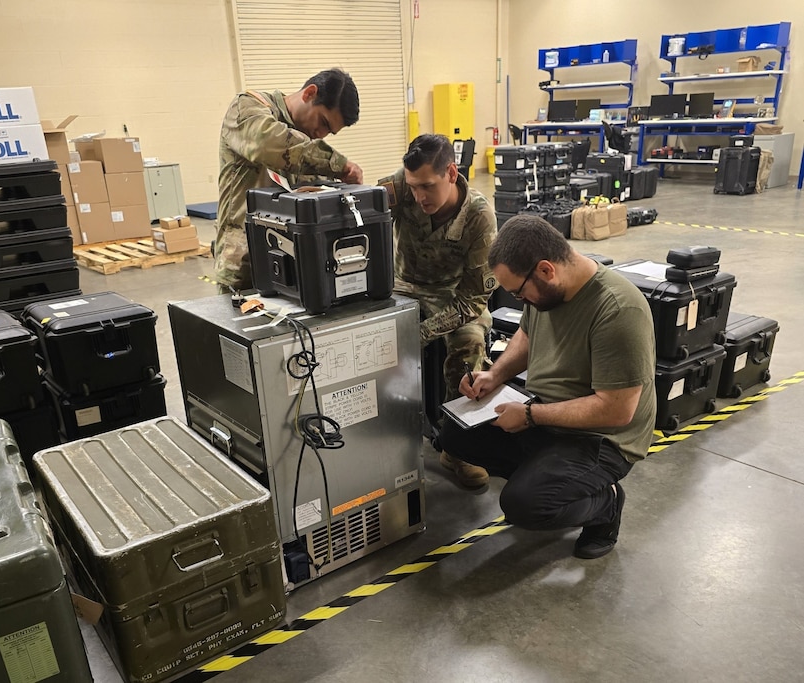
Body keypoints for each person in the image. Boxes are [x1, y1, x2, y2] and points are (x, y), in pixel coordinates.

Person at [440, 214, 656, 558]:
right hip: (544, 411)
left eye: (518, 292)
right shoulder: (547, 293)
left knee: (525, 506)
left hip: (602, 439)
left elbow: (617, 409)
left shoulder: (618, 310)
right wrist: (494, 376)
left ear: (545, 270)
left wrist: (530, 416)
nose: (520, 300)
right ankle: (549, 478)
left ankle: (605, 505)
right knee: (452, 436)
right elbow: (527, 335)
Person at [379, 134, 498, 488]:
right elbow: (360, 209)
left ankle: (456, 449)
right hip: (402, 287)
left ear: (451, 172)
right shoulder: (402, 184)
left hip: (454, 295)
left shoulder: (479, 216)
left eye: (427, 186)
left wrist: (421, 333)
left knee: (470, 347)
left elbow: (474, 299)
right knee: (364, 337)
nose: (419, 196)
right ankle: (378, 442)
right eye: (414, 187)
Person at [215, 68, 364, 293]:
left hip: (295, 264)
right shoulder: (248, 108)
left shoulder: (309, 145)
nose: (321, 134)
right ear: (309, 93)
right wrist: (338, 164)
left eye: (329, 132)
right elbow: (268, 143)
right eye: (323, 122)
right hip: (244, 262)